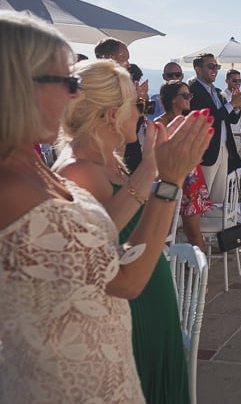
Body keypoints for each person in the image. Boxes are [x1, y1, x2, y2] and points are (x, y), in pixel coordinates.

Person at [0, 11, 212, 402]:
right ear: (17, 86)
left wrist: (154, 170)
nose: (71, 95)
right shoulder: (10, 186)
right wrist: (169, 179)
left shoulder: (29, 168)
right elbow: (124, 281)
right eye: (64, 81)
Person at [54, 60, 203, 403]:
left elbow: (152, 228)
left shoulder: (111, 160)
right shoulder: (77, 171)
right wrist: (156, 170)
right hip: (129, 305)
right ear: (110, 114)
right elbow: (102, 240)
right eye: (138, 105)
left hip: (152, 292)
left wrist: (166, 173)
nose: (143, 113)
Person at [155, 81, 213, 252]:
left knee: (193, 231)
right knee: (162, 231)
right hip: (167, 180)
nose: (190, 99)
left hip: (191, 179)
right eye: (185, 95)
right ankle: (165, 272)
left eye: (190, 95)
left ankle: (200, 276)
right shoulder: (160, 124)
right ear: (173, 99)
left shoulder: (188, 121)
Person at [189, 53, 241, 202]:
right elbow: (208, 119)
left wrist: (237, 106)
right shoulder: (193, 91)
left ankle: (215, 224)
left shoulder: (217, 92)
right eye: (211, 66)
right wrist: (231, 104)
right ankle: (200, 225)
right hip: (207, 149)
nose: (215, 69)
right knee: (203, 194)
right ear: (198, 69)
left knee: (220, 194)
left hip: (223, 148)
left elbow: (230, 120)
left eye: (217, 66)